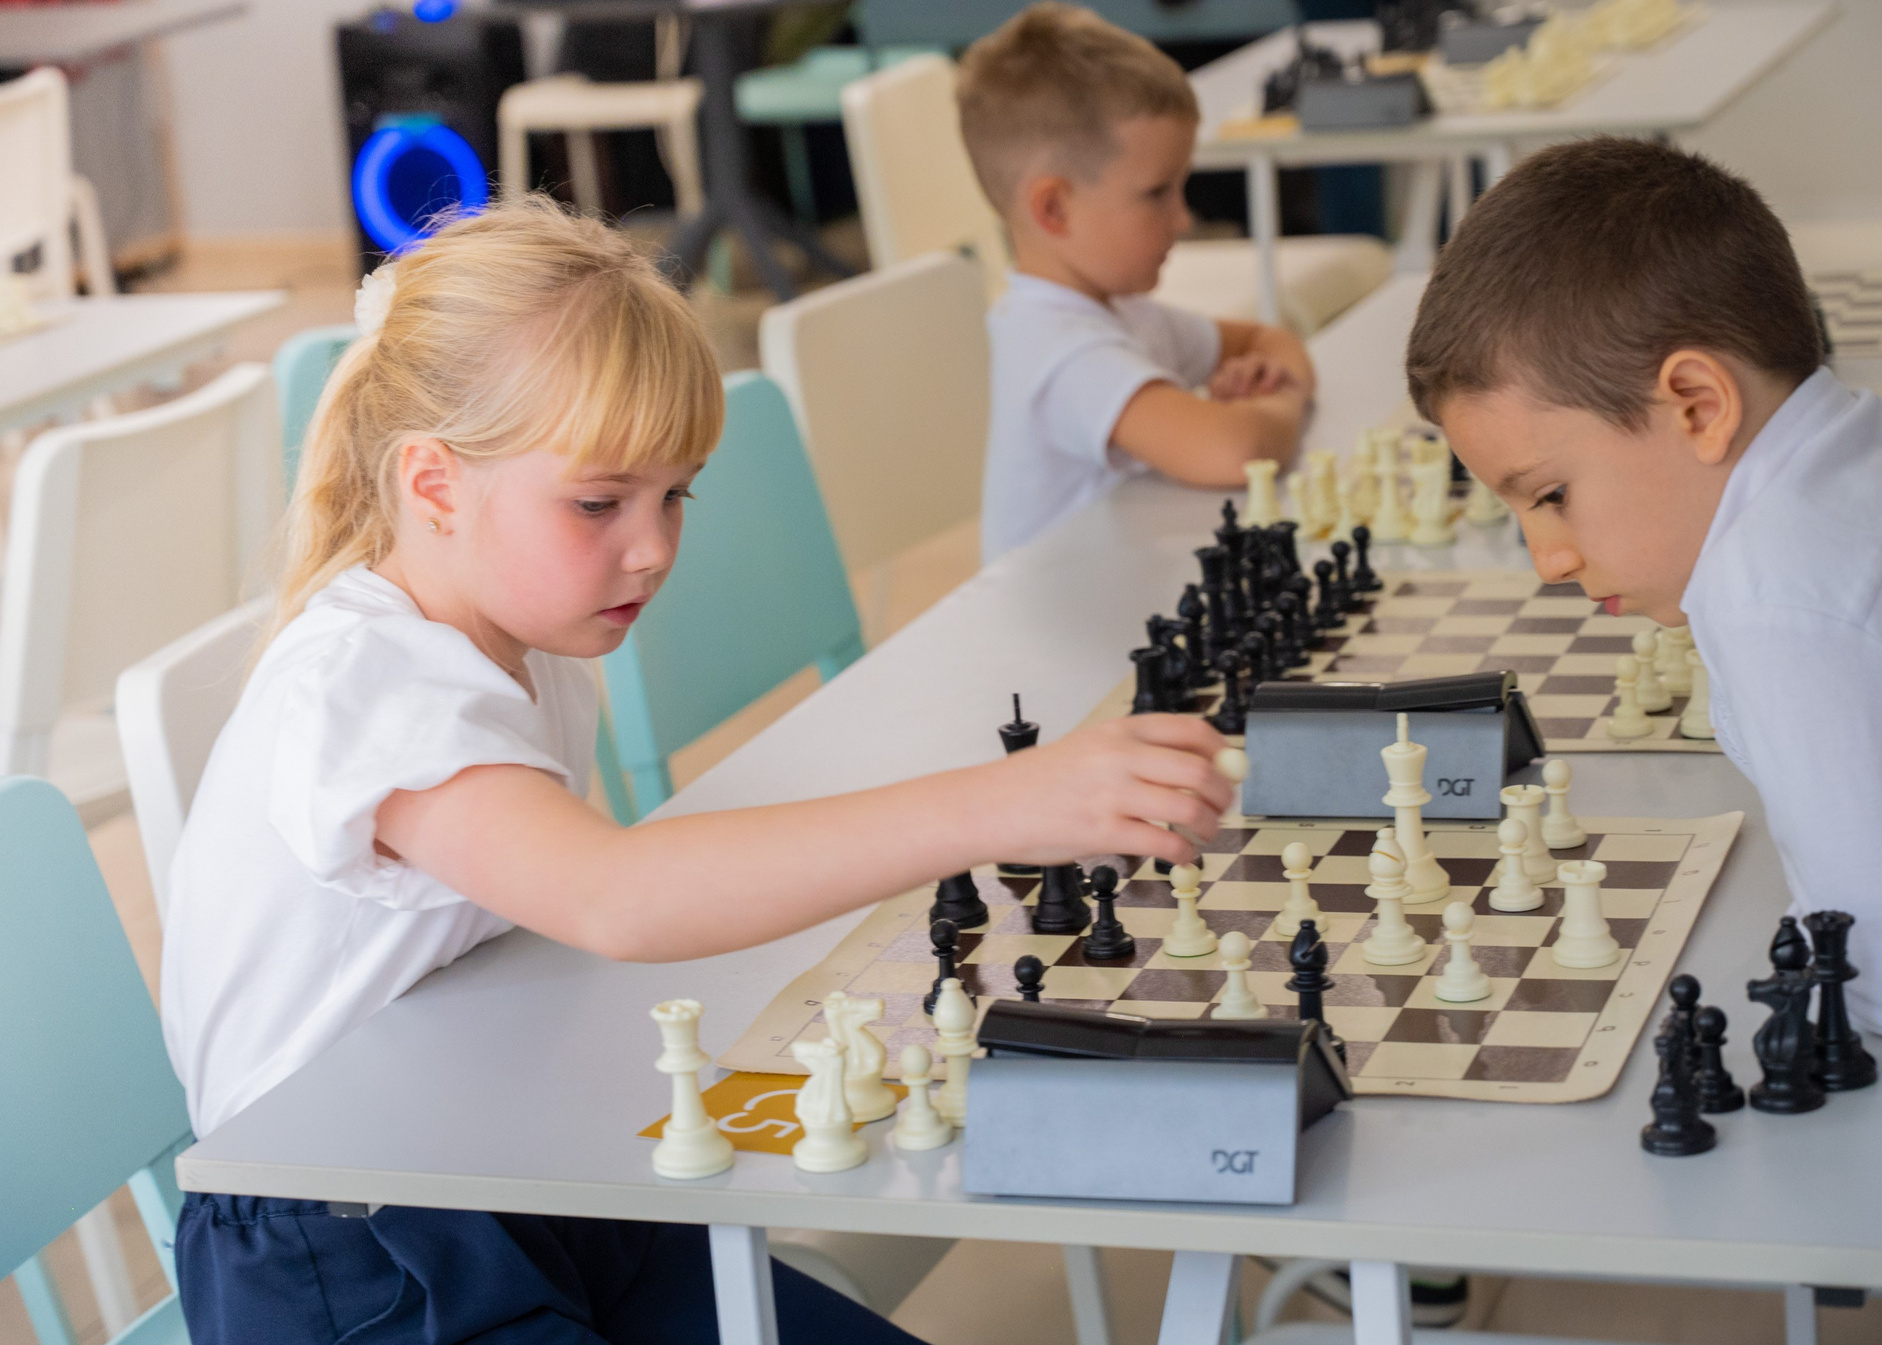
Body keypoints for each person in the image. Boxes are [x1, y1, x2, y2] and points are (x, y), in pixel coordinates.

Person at [162, 198, 1236, 1344]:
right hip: (347, 1254)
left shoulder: (530, 639)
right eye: (600, 502)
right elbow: (614, 895)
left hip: (512, 1160)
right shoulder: (369, 686)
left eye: (677, 494)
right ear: (433, 487)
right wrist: (1005, 803)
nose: (655, 547)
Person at [1407, 136, 1882, 1039]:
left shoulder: (1769, 601)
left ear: (1698, 405)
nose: (1546, 559)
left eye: (1550, 496)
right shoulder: (1876, 448)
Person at [958, 2, 1317, 561]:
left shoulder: (1123, 312)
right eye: (1157, 193)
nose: (1184, 218)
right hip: (1058, 614)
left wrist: (1260, 380)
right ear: (1054, 209)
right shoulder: (1058, 350)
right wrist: (1281, 399)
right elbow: (1237, 452)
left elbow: (1270, 340)